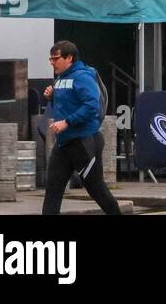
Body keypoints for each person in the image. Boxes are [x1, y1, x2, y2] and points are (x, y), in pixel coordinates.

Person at [41, 40, 121, 216]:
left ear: (69, 58)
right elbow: (68, 104)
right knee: (53, 189)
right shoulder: (61, 78)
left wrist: (67, 122)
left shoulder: (83, 76)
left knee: (97, 190)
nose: (52, 63)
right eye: (50, 59)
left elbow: (91, 106)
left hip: (83, 142)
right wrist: (52, 97)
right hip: (63, 144)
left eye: (56, 58)